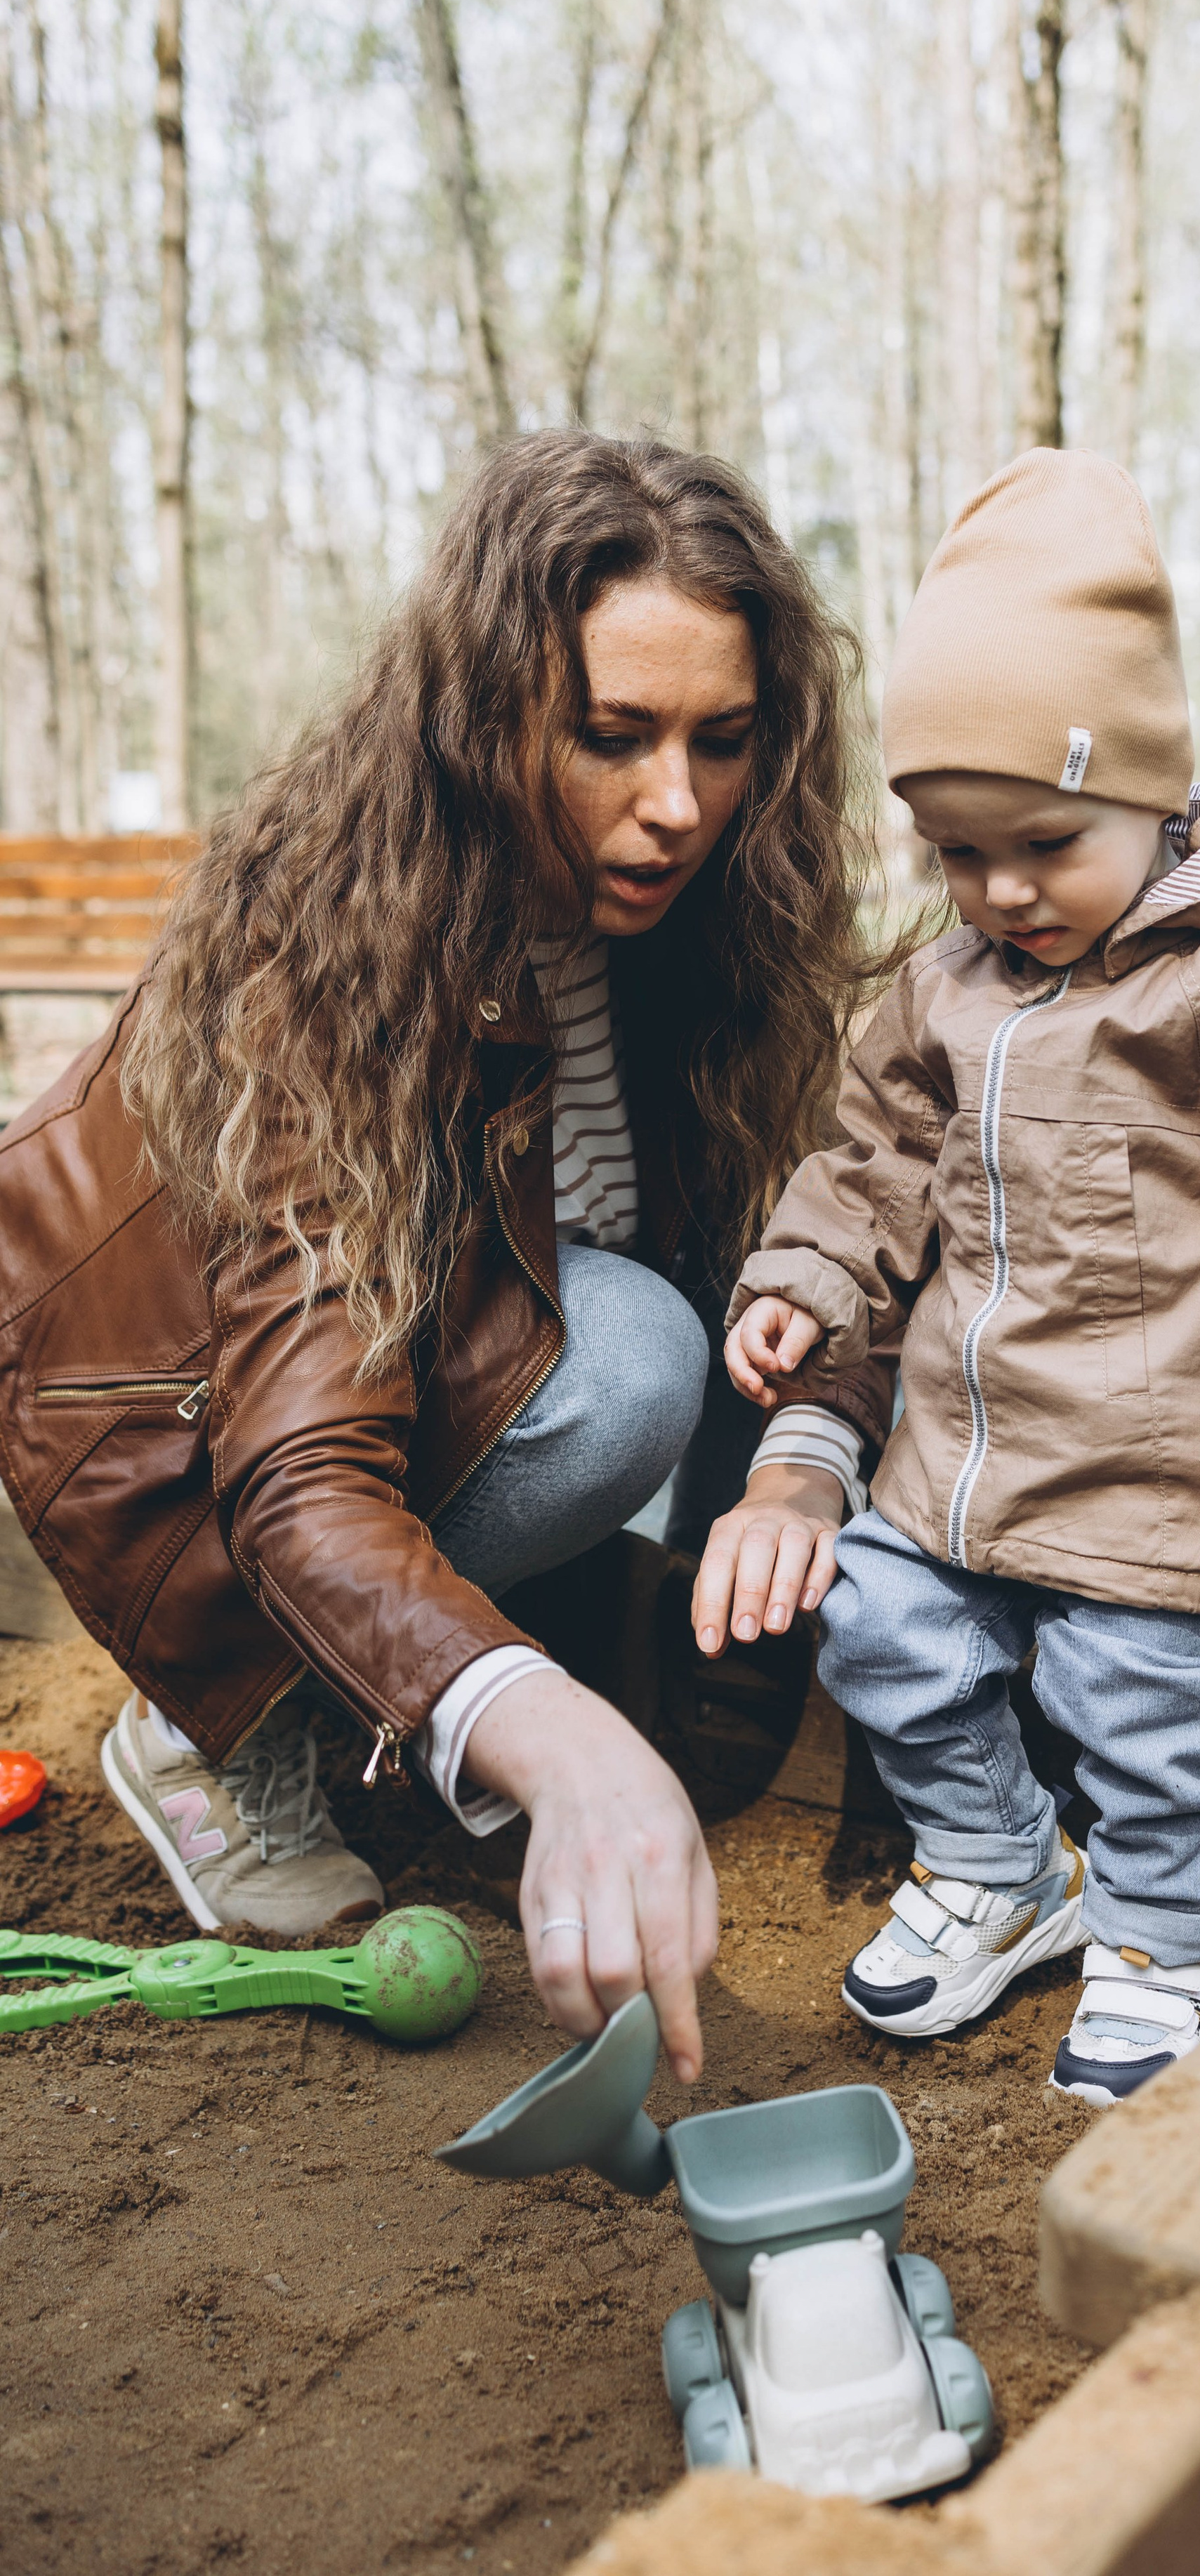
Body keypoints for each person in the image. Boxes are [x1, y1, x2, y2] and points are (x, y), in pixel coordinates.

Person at [0, 431, 891, 2082]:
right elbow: (301, 1460)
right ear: (491, 718)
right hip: (175, 1439)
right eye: (610, 738)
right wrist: (540, 1723)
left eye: (723, 738)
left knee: (698, 1314)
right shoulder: (322, 945)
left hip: (452, 1342)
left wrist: (798, 1477)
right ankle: (222, 1714)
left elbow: (825, 1221)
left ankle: (420, 1680)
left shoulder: (717, 905)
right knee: (629, 1353)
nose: (678, 803)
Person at [722, 448, 1200, 2108]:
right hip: (959, 1462)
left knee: (1139, 1702)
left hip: (1162, 1468)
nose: (999, 893)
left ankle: (1168, 1946)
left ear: (1152, 796)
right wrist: (813, 1271)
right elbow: (872, 1154)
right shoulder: (950, 989)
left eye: (1040, 842)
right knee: (875, 1620)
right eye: (957, 855)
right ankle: (1000, 1861)